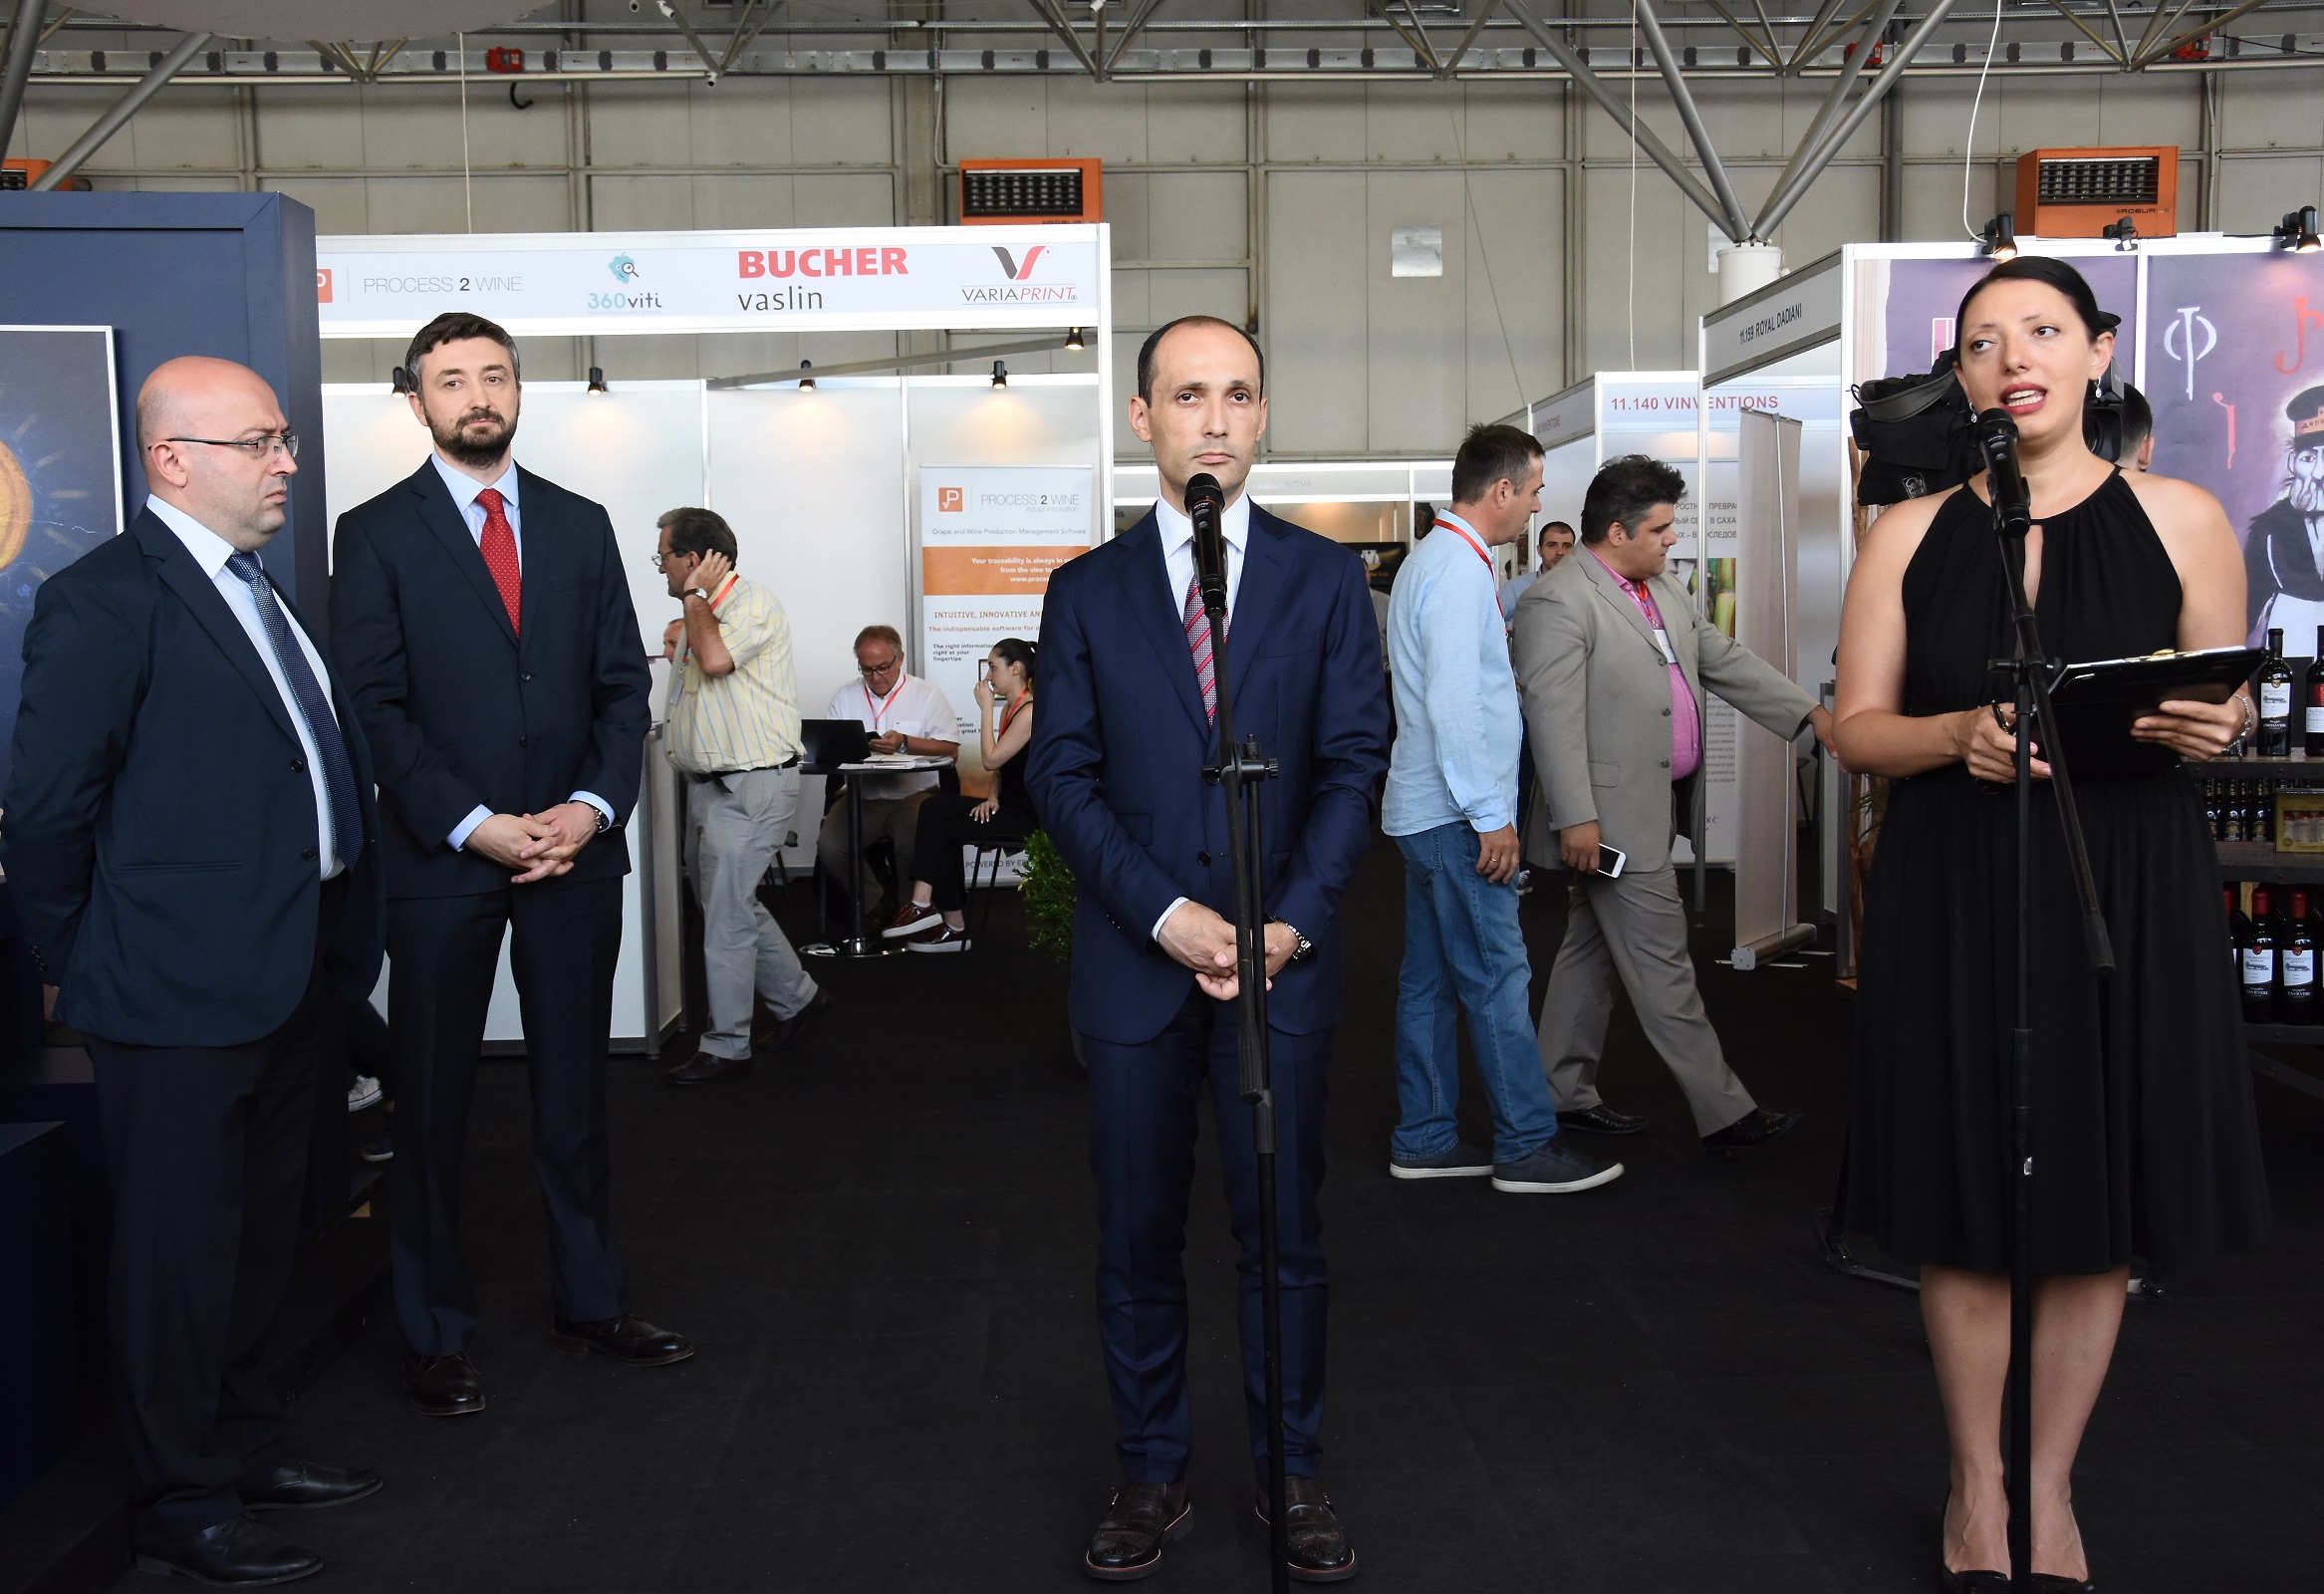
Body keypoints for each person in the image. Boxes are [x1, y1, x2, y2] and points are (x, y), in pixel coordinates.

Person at [1832, 254, 2267, 1587]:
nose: (2011, 357)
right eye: (1981, 340)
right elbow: (1854, 728)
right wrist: (1950, 734)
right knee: (1964, 1184)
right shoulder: (1906, 535)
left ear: (2097, 350)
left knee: (2094, 1187)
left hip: (2120, 877)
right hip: (1956, 881)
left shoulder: (2184, 517)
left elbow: (2227, 700)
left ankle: (2049, 1485)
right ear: (1960, 376)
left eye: (2039, 330)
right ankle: (1975, 1485)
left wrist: (2223, 722)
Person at [3, 357, 387, 1588]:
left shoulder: (258, 590)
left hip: (290, 975)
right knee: (177, 1256)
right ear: (171, 460)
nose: (287, 462)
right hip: (169, 994)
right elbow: (47, 812)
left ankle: (242, 1448)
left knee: (260, 1238)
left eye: (284, 440)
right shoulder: (104, 602)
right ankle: (179, 1497)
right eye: (258, 442)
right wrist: (74, 960)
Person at [1029, 315, 1388, 1583]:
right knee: (1135, 1237)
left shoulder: (1323, 578)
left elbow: (1354, 761)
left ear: (1263, 413)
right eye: (1189, 396)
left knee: (1282, 1235)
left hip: (1278, 967)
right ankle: (1150, 1473)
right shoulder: (1084, 591)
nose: (1216, 420)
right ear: (1142, 418)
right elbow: (1062, 777)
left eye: (1238, 394)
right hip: (1137, 967)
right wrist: (1166, 918)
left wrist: (1287, 920)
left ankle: (1290, 1474)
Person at [331, 312, 691, 1422]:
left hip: (573, 856)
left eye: (494, 375)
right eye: (452, 380)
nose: (477, 395)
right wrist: (471, 822)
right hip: (443, 860)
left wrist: (589, 808)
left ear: (520, 389)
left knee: (575, 1095)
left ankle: (591, 1301)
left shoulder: (581, 524)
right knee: (432, 1102)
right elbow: (372, 706)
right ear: (417, 401)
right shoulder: (373, 533)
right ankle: (434, 1331)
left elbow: (622, 688)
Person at [1515, 454, 1832, 1149]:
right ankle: (1727, 1112)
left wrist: (1810, 716)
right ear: (1617, 531)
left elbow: (1722, 659)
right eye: (1660, 529)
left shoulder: (1664, 588)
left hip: (1651, 807)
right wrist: (1577, 819)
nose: (1671, 540)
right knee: (1664, 963)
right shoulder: (1557, 601)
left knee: (1591, 953)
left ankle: (1557, 1091)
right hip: (1608, 822)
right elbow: (1552, 720)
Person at [1383, 423, 1622, 1195]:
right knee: (1495, 974)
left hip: (1427, 809)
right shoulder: (1456, 569)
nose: (1537, 505)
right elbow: (1454, 703)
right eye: (1534, 490)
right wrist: (1490, 814)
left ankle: (1424, 1137)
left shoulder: (1436, 559)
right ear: (1501, 489)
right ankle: (1524, 1145)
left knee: (1429, 982)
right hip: (1456, 816)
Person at [654, 506, 827, 1085]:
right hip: (709, 786)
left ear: (694, 559)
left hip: (752, 783)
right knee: (726, 904)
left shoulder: (751, 603)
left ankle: (727, 1045)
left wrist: (695, 597)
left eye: (665, 557)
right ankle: (799, 997)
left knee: (727, 912)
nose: (662, 568)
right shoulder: (698, 611)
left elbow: (715, 661)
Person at [885, 639, 1039, 952]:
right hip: (1007, 806)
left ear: (1016, 668)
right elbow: (1002, 767)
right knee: (934, 809)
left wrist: (985, 709)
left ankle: (942, 919)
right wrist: (992, 797)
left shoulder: (1030, 711)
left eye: (993, 667)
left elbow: (990, 760)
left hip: (1029, 816)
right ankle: (932, 911)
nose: (988, 676)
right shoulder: (1012, 708)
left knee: (939, 825)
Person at [815, 626, 959, 922]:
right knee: (830, 846)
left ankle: (911, 914)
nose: (875, 676)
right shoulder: (845, 696)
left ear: (900, 659)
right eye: (866, 669)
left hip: (914, 796)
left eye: (882, 667)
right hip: (861, 796)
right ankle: (876, 904)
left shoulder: (926, 695)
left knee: (914, 842)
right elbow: (829, 748)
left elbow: (951, 751)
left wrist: (906, 742)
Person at [2240, 385, 2324, 642]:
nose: (2319, 473)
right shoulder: (2270, 528)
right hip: (2292, 644)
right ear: (2293, 463)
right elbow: (2248, 610)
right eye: (2309, 458)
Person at [1497, 519, 1574, 615]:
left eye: (1566, 546)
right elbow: (1488, 619)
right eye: (1552, 545)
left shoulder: (1583, 588)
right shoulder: (1516, 588)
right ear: (1539, 550)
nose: (1560, 552)